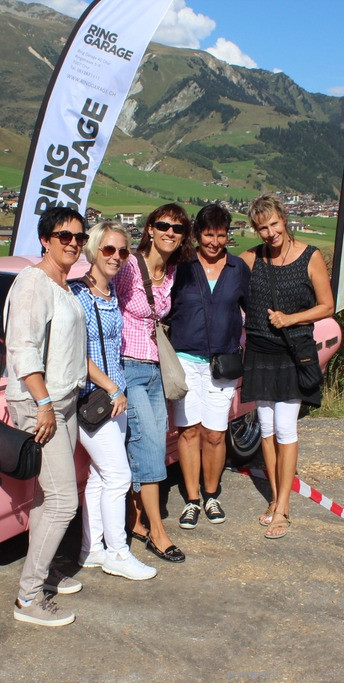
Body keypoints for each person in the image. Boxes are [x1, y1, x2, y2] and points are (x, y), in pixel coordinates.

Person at [4, 206, 88, 626]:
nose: (73, 243)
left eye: (79, 237)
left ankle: (47, 568)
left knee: (47, 496)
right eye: (63, 236)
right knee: (63, 501)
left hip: (64, 401)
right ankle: (29, 598)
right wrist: (42, 404)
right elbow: (22, 348)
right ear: (45, 240)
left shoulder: (63, 284)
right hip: (43, 405)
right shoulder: (33, 283)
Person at [240, 195, 334, 540]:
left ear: (284, 218)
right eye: (262, 228)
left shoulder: (311, 256)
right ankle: (275, 497)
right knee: (265, 428)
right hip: (260, 351)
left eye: (274, 224)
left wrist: (290, 319)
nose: (270, 233)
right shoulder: (251, 258)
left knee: (284, 429)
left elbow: (327, 306)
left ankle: (283, 507)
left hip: (293, 352)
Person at [70, 221, 157, 581]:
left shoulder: (110, 292)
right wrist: (112, 388)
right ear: (93, 249)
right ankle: (118, 553)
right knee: (119, 477)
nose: (117, 256)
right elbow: (76, 354)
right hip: (95, 399)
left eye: (123, 250)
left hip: (113, 400)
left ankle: (91, 550)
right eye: (109, 249)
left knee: (99, 477)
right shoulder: (80, 296)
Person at [113, 203, 194, 563]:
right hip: (128, 367)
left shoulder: (172, 273)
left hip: (156, 370)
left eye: (177, 228)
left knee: (154, 443)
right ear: (149, 228)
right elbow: (104, 303)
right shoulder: (129, 266)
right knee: (147, 446)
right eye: (163, 225)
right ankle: (158, 533)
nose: (169, 233)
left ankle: (135, 519)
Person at [167, 204, 250, 529]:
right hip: (185, 362)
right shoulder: (182, 267)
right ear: (197, 234)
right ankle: (191, 500)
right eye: (208, 235)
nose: (214, 242)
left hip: (222, 364)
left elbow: (253, 312)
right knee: (189, 432)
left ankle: (211, 494)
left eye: (221, 235)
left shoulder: (238, 269)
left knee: (215, 434)